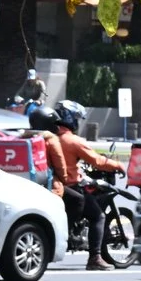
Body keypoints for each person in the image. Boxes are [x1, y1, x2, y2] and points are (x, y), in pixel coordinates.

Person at [45, 101, 121, 269]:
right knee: (98, 216)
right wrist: (118, 165)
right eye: (76, 119)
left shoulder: (50, 137)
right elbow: (97, 161)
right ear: (70, 118)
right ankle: (95, 258)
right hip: (70, 186)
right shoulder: (73, 141)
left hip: (55, 184)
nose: (77, 123)